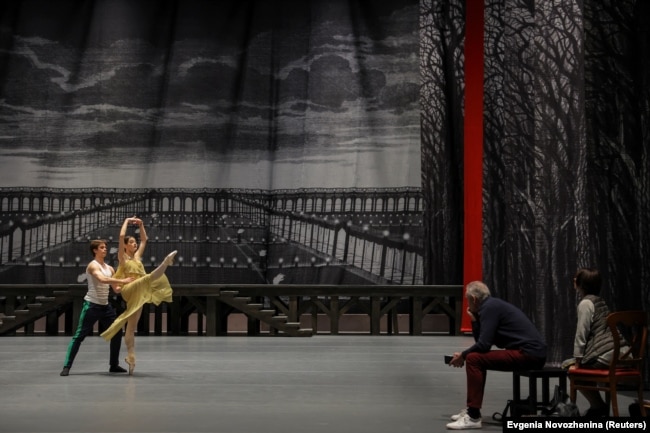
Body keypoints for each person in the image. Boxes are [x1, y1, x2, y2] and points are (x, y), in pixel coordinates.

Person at [446, 281, 547, 430]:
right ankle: (471, 410)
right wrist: (474, 321)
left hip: (529, 354)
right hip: (529, 352)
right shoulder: (491, 306)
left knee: (474, 359)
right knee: (474, 356)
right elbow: (482, 342)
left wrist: (463, 355)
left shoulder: (489, 308)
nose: (467, 302)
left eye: (468, 299)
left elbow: (483, 346)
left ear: (474, 299)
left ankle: (473, 415)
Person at [100, 217, 177, 375]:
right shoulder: (123, 258)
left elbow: (144, 239)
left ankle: (131, 357)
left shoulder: (137, 257)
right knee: (148, 278)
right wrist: (127, 221)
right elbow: (121, 237)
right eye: (132, 242)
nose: (135, 244)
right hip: (129, 288)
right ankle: (165, 263)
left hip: (139, 292)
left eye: (135, 243)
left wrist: (141, 225)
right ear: (126, 246)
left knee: (130, 329)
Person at [60, 239, 135, 376]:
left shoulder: (110, 268)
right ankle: (67, 366)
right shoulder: (92, 266)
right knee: (79, 336)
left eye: (105, 247)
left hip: (105, 307)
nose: (105, 249)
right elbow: (102, 279)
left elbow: (116, 289)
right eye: (102, 247)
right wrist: (122, 280)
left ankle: (113, 365)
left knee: (117, 332)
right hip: (92, 306)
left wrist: (130, 285)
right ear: (95, 250)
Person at [564, 267, 622, 417]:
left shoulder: (586, 304)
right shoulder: (600, 301)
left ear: (581, 284)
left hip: (606, 354)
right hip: (620, 352)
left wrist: (577, 360)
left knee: (572, 372)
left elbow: (581, 334)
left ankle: (598, 406)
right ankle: (598, 407)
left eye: (576, 279)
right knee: (581, 368)